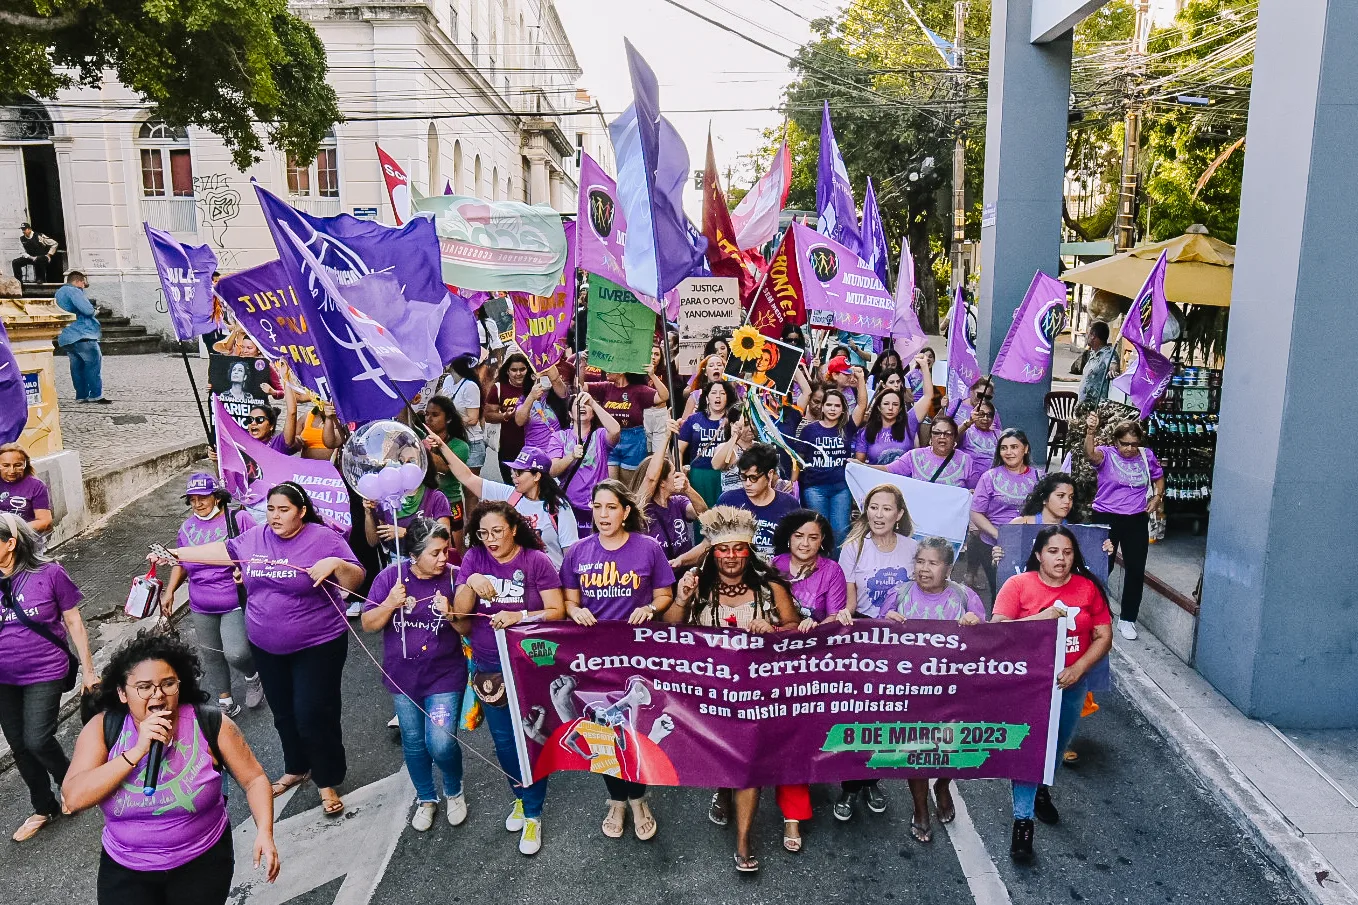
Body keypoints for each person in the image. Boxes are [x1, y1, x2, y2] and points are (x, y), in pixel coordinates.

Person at [157, 482, 364, 816]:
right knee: (283, 712)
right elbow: (221, 551)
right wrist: (173, 554)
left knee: (312, 712)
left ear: (302, 511)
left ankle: (326, 780)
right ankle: (296, 767)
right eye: (270, 509)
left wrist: (335, 566)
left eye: (284, 510)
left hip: (318, 644)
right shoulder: (255, 537)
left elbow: (355, 580)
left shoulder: (323, 538)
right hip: (266, 644)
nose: (275, 516)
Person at [61, 632, 279, 903]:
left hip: (201, 864)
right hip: (126, 868)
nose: (158, 695)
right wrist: (137, 751)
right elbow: (74, 797)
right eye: (144, 687)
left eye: (168, 684)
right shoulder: (104, 728)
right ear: (122, 693)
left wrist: (265, 832)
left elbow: (254, 779)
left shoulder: (210, 723)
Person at [665, 506, 799, 872]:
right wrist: (681, 599)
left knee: (748, 764)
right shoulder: (698, 586)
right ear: (712, 553)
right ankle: (722, 791)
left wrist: (773, 630)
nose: (731, 556)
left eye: (738, 549)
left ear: (748, 551)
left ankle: (743, 842)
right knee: (723, 758)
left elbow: (795, 628)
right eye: (723, 550)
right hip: (709, 695)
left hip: (758, 695)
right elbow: (669, 630)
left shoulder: (770, 587)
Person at [562, 481, 676, 841]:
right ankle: (616, 801)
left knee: (635, 730)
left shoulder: (648, 548)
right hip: (594, 659)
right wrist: (575, 611)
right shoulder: (577, 552)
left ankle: (639, 799)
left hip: (638, 656)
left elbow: (665, 594)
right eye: (597, 507)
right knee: (601, 731)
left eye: (611, 507)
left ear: (626, 512)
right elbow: (568, 601)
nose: (603, 514)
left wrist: (650, 608)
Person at [992, 525, 1112, 862]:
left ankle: (1042, 787)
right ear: (1038, 554)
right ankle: (1023, 821)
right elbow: (997, 632)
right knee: (1029, 750)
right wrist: (1041, 619)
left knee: (1056, 748)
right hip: (1027, 686)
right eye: (1053, 551)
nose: (1061, 558)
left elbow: (1103, 636)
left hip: (1070, 685)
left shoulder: (1087, 588)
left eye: (1068, 552)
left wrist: (1079, 668)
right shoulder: (1018, 585)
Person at [453, 502, 564, 854]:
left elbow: (557, 610)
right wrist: (470, 580)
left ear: (513, 529)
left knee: (527, 739)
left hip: (528, 665)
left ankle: (533, 813)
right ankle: (519, 796)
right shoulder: (475, 557)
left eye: (497, 531)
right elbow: (460, 612)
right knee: (502, 742)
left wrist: (520, 616)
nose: (491, 539)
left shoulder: (536, 561)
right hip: (488, 665)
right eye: (483, 533)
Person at [362, 519, 467, 831]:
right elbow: (368, 624)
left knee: (441, 742)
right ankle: (426, 798)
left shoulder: (455, 577)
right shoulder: (390, 578)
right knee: (413, 740)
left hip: (445, 675)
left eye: (445, 550)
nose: (443, 558)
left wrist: (450, 613)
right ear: (413, 555)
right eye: (435, 553)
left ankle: (454, 790)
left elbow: (468, 627)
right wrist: (390, 603)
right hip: (403, 677)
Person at [881, 536, 985, 844]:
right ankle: (920, 808)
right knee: (916, 750)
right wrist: (886, 622)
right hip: (911, 694)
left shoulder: (964, 598)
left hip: (954, 693)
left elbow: (989, 646)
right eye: (920, 562)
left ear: (948, 568)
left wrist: (976, 625)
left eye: (933, 563)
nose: (924, 569)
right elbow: (875, 645)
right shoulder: (898, 595)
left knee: (952, 747)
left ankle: (942, 785)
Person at [0, 514, 96, 842]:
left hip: (45, 670)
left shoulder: (50, 573)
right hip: (4, 678)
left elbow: (74, 623)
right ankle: (44, 807)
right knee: (19, 746)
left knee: (37, 739)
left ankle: (72, 783)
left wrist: (89, 671)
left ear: (10, 544)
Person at [834, 483, 916, 820]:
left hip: (900, 637)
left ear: (899, 514)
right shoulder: (853, 547)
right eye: (873, 507)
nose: (879, 514)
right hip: (865, 635)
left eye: (886, 508)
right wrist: (844, 613)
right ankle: (850, 786)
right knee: (859, 714)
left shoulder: (913, 548)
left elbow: (925, 590)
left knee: (888, 715)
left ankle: (872, 781)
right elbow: (851, 600)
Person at [768, 508, 847, 853]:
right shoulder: (772, 566)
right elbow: (759, 610)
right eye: (799, 536)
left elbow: (836, 617)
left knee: (795, 740)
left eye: (813, 537)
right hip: (769, 664)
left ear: (823, 541)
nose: (805, 543)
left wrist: (816, 627)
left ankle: (793, 815)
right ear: (788, 537)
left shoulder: (832, 571)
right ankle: (728, 794)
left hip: (811, 666)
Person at [159, 473, 264, 717]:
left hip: (233, 600)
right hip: (200, 603)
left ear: (217, 497)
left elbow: (259, 549)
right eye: (192, 499)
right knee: (211, 654)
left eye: (203, 498)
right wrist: (170, 590)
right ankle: (225, 701)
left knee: (236, 653)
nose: (197, 504)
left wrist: (246, 571)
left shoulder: (239, 519)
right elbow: (182, 561)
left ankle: (252, 676)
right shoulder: (186, 528)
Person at [431, 439, 579, 567]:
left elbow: (570, 553)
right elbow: (467, 477)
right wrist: (442, 446)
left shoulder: (558, 508)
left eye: (519, 472)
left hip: (550, 580)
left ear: (537, 476)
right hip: (516, 580)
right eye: (513, 471)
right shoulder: (509, 495)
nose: (514, 476)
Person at [1083, 414, 1164, 641]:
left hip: (1136, 518)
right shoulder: (1106, 454)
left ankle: (1128, 618)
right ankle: (1092, 612)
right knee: (1101, 567)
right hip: (1106, 516)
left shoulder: (1146, 456)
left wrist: (1157, 497)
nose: (1129, 448)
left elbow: (1158, 477)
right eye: (1124, 443)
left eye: (1134, 444)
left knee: (1136, 569)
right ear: (1115, 441)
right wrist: (1090, 432)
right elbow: (1090, 455)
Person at [969, 429, 1043, 601]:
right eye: (1004, 448)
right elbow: (976, 513)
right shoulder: (989, 477)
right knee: (1001, 595)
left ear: (1025, 449)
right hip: (993, 545)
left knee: (1029, 595)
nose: (1009, 452)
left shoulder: (1039, 477)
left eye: (1014, 447)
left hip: (1029, 545)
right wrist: (1000, 535)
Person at [797, 387, 866, 553]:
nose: (832, 409)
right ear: (822, 407)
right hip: (815, 488)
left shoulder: (847, 427)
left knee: (840, 531)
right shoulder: (809, 431)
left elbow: (862, 405)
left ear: (843, 409)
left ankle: (836, 566)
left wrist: (860, 379)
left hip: (841, 488)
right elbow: (798, 459)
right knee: (818, 530)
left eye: (837, 405)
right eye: (829, 405)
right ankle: (818, 564)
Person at [552, 392, 621, 536]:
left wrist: (593, 403)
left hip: (597, 504)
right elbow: (552, 471)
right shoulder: (559, 437)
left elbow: (615, 430)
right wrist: (571, 457)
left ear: (593, 413)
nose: (582, 407)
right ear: (570, 414)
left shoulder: (600, 435)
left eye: (586, 405)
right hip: (569, 505)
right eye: (577, 404)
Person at [716, 444, 800, 559]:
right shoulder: (728, 500)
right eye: (743, 477)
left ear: (770, 474)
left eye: (753, 478)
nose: (747, 483)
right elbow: (711, 542)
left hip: (776, 568)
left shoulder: (789, 504)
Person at [363, 463, 453, 567]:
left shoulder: (435, 497)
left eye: (411, 461)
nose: (405, 465)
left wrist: (406, 532)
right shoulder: (387, 499)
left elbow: (445, 539)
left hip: (429, 559)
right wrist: (368, 513)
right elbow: (373, 542)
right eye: (401, 460)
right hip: (397, 562)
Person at [588, 371, 670, 482]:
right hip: (610, 439)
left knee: (630, 485)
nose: (606, 371)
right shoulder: (605, 387)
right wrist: (582, 366)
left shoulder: (639, 390)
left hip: (634, 441)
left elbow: (664, 396)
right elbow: (581, 386)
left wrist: (652, 374)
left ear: (621, 371)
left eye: (611, 367)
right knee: (610, 484)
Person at [637, 452, 708, 571]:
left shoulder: (678, 502)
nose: (679, 476)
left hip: (684, 573)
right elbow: (650, 479)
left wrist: (688, 489)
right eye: (674, 473)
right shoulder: (643, 510)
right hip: (659, 575)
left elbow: (703, 513)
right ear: (662, 482)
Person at [421, 395, 471, 549]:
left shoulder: (460, 446)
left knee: (454, 549)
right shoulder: (423, 439)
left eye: (435, 415)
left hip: (451, 502)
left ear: (448, 419)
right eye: (426, 414)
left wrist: (423, 448)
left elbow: (444, 466)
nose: (429, 419)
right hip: (427, 501)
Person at [677, 379, 737, 506]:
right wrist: (680, 471)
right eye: (714, 393)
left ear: (727, 398)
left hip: (724, 474)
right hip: (698, 474)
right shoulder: (693, 419)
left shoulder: (733, 421)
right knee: (699, 510)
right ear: (707, 398)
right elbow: (679, 449)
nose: (718, 396)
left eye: (722, 393)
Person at [55, 271, 109, 404]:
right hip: (82, 334)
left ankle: (81, 395)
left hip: (66, 335)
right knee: (93, 364)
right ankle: (95, 395)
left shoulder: (59, 293)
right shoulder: (74, 291)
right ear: (78, 281)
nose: (84, 286)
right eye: (83, 283)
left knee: (76, 367)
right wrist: (95, 311)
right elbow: (87, 310)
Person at [884, 414, 976, 488]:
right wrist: (871, 470)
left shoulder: (966, 460)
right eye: (937, 433)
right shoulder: (914, 456)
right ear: (931, 437)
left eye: (948, 433)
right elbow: (887, 470)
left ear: (954, 437)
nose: (942, 437)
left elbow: (974, 490)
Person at [485, 353, 538, 475]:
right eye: (514, 370)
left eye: (522, 369)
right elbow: (488, 416)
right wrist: (504, 416)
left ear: (528, 369)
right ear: (507, 371)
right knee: (511, 484)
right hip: (508, 448)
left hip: (534, 447)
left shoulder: (536, 388)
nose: (518, 373)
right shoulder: (498, 388)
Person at [855, 380, 927, 466]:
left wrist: (925, 370)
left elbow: (928, 396)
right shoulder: (865, 432)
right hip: (876, 474)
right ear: (878, 407)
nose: (890, 408)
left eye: (895, 404)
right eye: (886, 404)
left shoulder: (908, 423)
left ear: (900, 408)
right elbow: (859, 465)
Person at [0, 443, 54, 533]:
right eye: (6, 465)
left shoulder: (37, 486)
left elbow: (44, 521)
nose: (12, 471)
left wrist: (14, 530)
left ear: (25, 465)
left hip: (26, 536)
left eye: (18, 465)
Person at [959, 399, 1002, 485]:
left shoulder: (999, 435)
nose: (985, 418)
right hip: (970, 482)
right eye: (981, 414)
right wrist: (969, 422)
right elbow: (951, 438)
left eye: (989, 415)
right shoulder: (966, 431)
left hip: (992, 482)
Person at [1077, 321, 1119, 405]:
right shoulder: (1093, 353)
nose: (1086, 336)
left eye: (1088, 334)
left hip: (1096, 406)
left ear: (1093, 336)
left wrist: (1113, 370)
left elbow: (1113, 364)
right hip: (1084, 406)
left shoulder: (1107, 353)